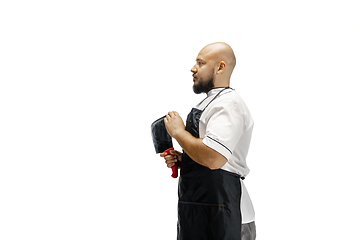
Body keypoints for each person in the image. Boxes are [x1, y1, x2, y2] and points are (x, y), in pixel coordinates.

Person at [161, 42, 256, 240]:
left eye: (200, 63)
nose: (192, 68)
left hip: (225, 213)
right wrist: (186, 159)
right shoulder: (212, 101)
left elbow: (214, 158)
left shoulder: (229, 103)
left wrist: (178, 132)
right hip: (199, 212)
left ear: (220, 67)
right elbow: (207, 151)